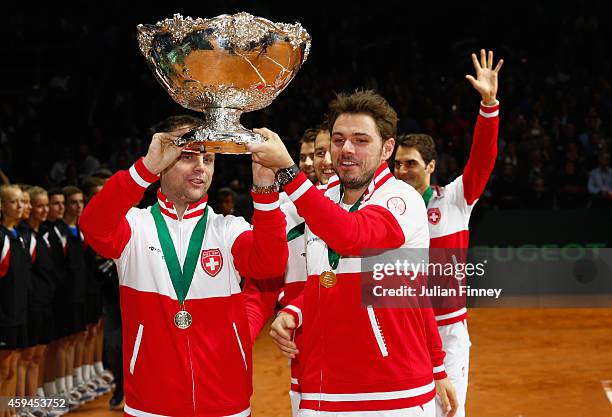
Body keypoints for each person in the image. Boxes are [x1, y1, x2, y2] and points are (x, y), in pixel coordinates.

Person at [249, 90, 456, 417]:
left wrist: (438, 369)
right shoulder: (316, 200)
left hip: (394, 391)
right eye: (339, 139)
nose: (346, 149)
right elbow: (269, 258)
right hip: (323, 392)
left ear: (387, 148)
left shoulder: (401, 200)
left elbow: (352, 235)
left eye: (361, 140)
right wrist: (264, 187)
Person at [79, 125, 288, 417]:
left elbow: (271, 264)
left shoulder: (228, 228)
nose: (201, 167)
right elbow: (92, 226)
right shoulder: (134, 227)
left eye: (209, 159)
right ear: (163, 158)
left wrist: (266, 190)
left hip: (226, 402)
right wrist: (145, 169)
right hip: (150, 405)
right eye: (188, 156)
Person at [393, 50, 502, 417]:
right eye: (397, 164)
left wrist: (489, 105)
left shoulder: (454, 199)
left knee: (449, 413)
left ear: (432, 166)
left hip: (447, 331)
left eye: (411, 163)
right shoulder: (385, 208)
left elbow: (483, 159)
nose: (403, 170)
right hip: (403, 330)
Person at [0, 185, 29, 417]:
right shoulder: (2, 238)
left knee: (11, 369)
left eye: (21, 201)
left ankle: (10, 412)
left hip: (19, 312)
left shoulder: (18, 235)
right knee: (3, 369)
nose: (20, 206)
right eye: (14, 202)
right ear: (2, 205)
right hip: (4, 316)